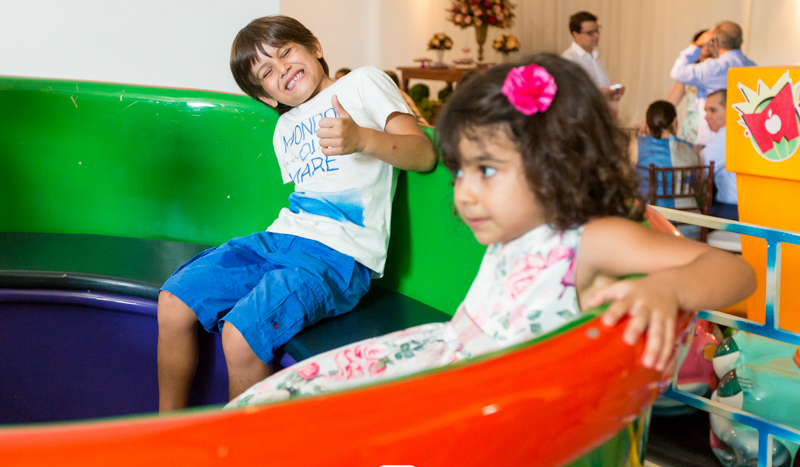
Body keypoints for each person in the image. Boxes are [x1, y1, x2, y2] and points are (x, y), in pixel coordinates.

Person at [225, 54, 755, 409]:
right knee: (294, 396)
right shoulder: (510, 230)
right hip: (452, 355)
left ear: (555, 162)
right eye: (462, 172)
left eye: (486, 170)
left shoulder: (588, 239)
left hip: (495, 394)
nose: (465, 193)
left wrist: (668, 287)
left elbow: (735, 271)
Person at [157, 15, 437, 411]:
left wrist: (362, 139)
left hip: (338, 254)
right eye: (267, 72)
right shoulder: (283, 127)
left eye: (285, 52)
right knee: (173, 300)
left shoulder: (362, 83)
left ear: (315, 48)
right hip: (280, 239)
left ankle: (240, 446)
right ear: (267, 98)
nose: (282, 68)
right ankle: (168, 428)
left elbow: (423, 154)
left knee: (241, 335)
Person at [670, 21, 755, 147]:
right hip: (741, 140)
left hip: (711, 140)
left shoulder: (713, 68)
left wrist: (695, 45)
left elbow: (677, 72)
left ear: (715, 42)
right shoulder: (753, 67)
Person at [633, 100, 699, 207]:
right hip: (688, 213)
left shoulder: (636, 145)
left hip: (650, 213)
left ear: (648, 123)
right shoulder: (692, 148)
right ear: (675, 121)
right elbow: (696, 181)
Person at [561, 11, 624, 101]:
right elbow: (571, 96)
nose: (597, 35)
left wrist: (611, 95)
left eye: (597, 30)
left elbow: (601, 91)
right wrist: (599, 93)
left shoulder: (597, 57)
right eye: (590, 33)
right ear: (576, 35)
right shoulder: (568, 59)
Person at [702, 90, 739, 220]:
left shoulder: (727, 135)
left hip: (731, 208)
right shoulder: (737, 132)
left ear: (730, 110)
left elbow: (699, 169)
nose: (706, 117)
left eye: (713, 110)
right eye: (706, 111)